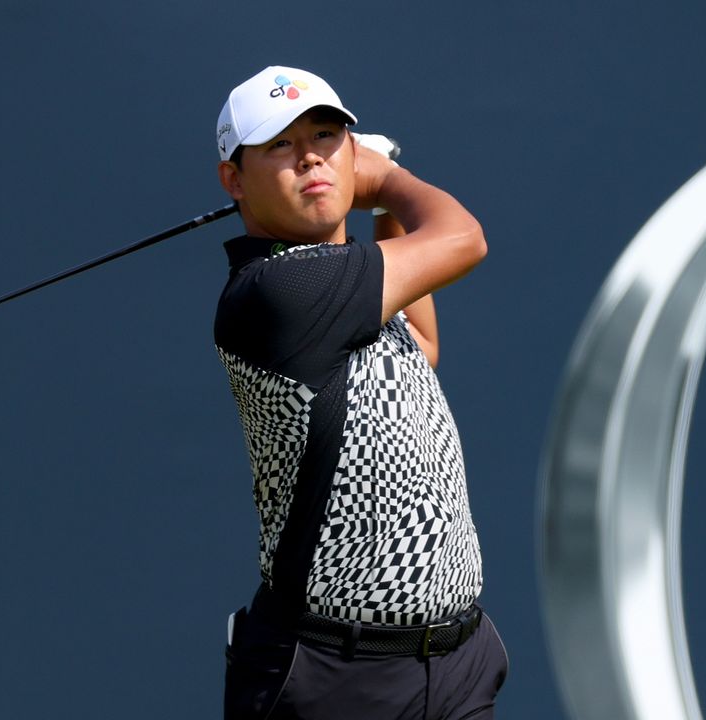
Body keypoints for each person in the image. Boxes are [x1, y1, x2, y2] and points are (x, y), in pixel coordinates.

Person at [212, 65, 507, 719]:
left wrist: (378, 212)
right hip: (335, 682)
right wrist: (384, 180)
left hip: (455, 670)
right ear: (233, 179)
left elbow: (422, 349)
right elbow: (464, 238)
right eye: (281, 145)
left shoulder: (351, 283)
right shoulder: (279, 293)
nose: (311, 155)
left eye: (325, 136)